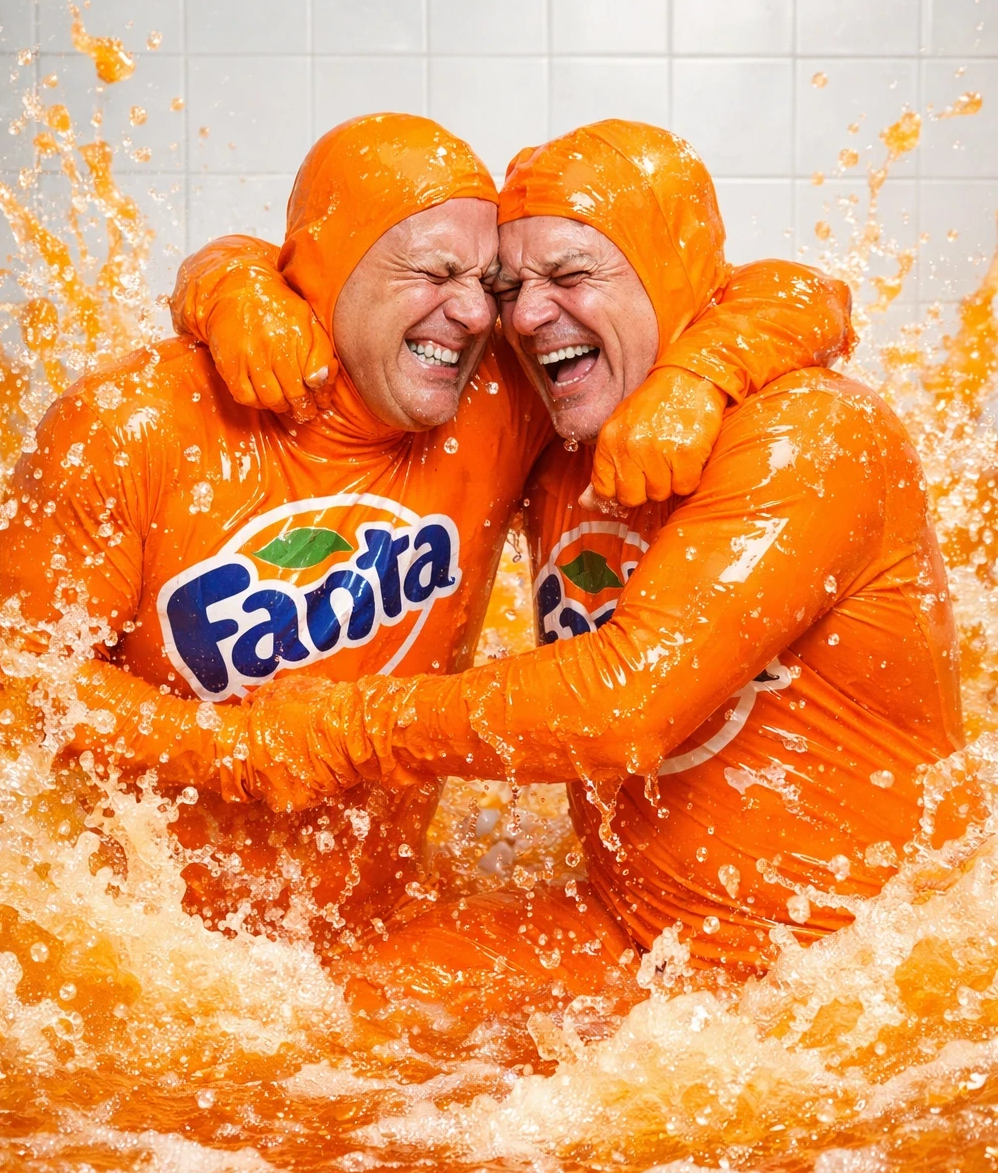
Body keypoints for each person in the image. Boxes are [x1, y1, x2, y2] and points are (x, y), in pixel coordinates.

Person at [0, 114, 852, 957]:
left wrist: (701, 374)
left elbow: (779, 292)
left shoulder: (502, 403)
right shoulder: (134, 423)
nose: (481, 316)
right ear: (324, 277)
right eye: (437, 272)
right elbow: (8, 684)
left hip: (374, 927)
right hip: (132, 939)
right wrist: (229, 752)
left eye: (490, 283)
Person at [219, 121, 964, 988]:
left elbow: (627, 709)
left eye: (572, 276)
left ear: (675, 281)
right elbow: (349, 300)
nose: (528, 316)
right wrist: (229, 283)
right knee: (338, 1000)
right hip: (635, 932)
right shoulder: (560, 420)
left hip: (850, 978)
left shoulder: (815, 436)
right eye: (512, 285)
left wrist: (343, 729)